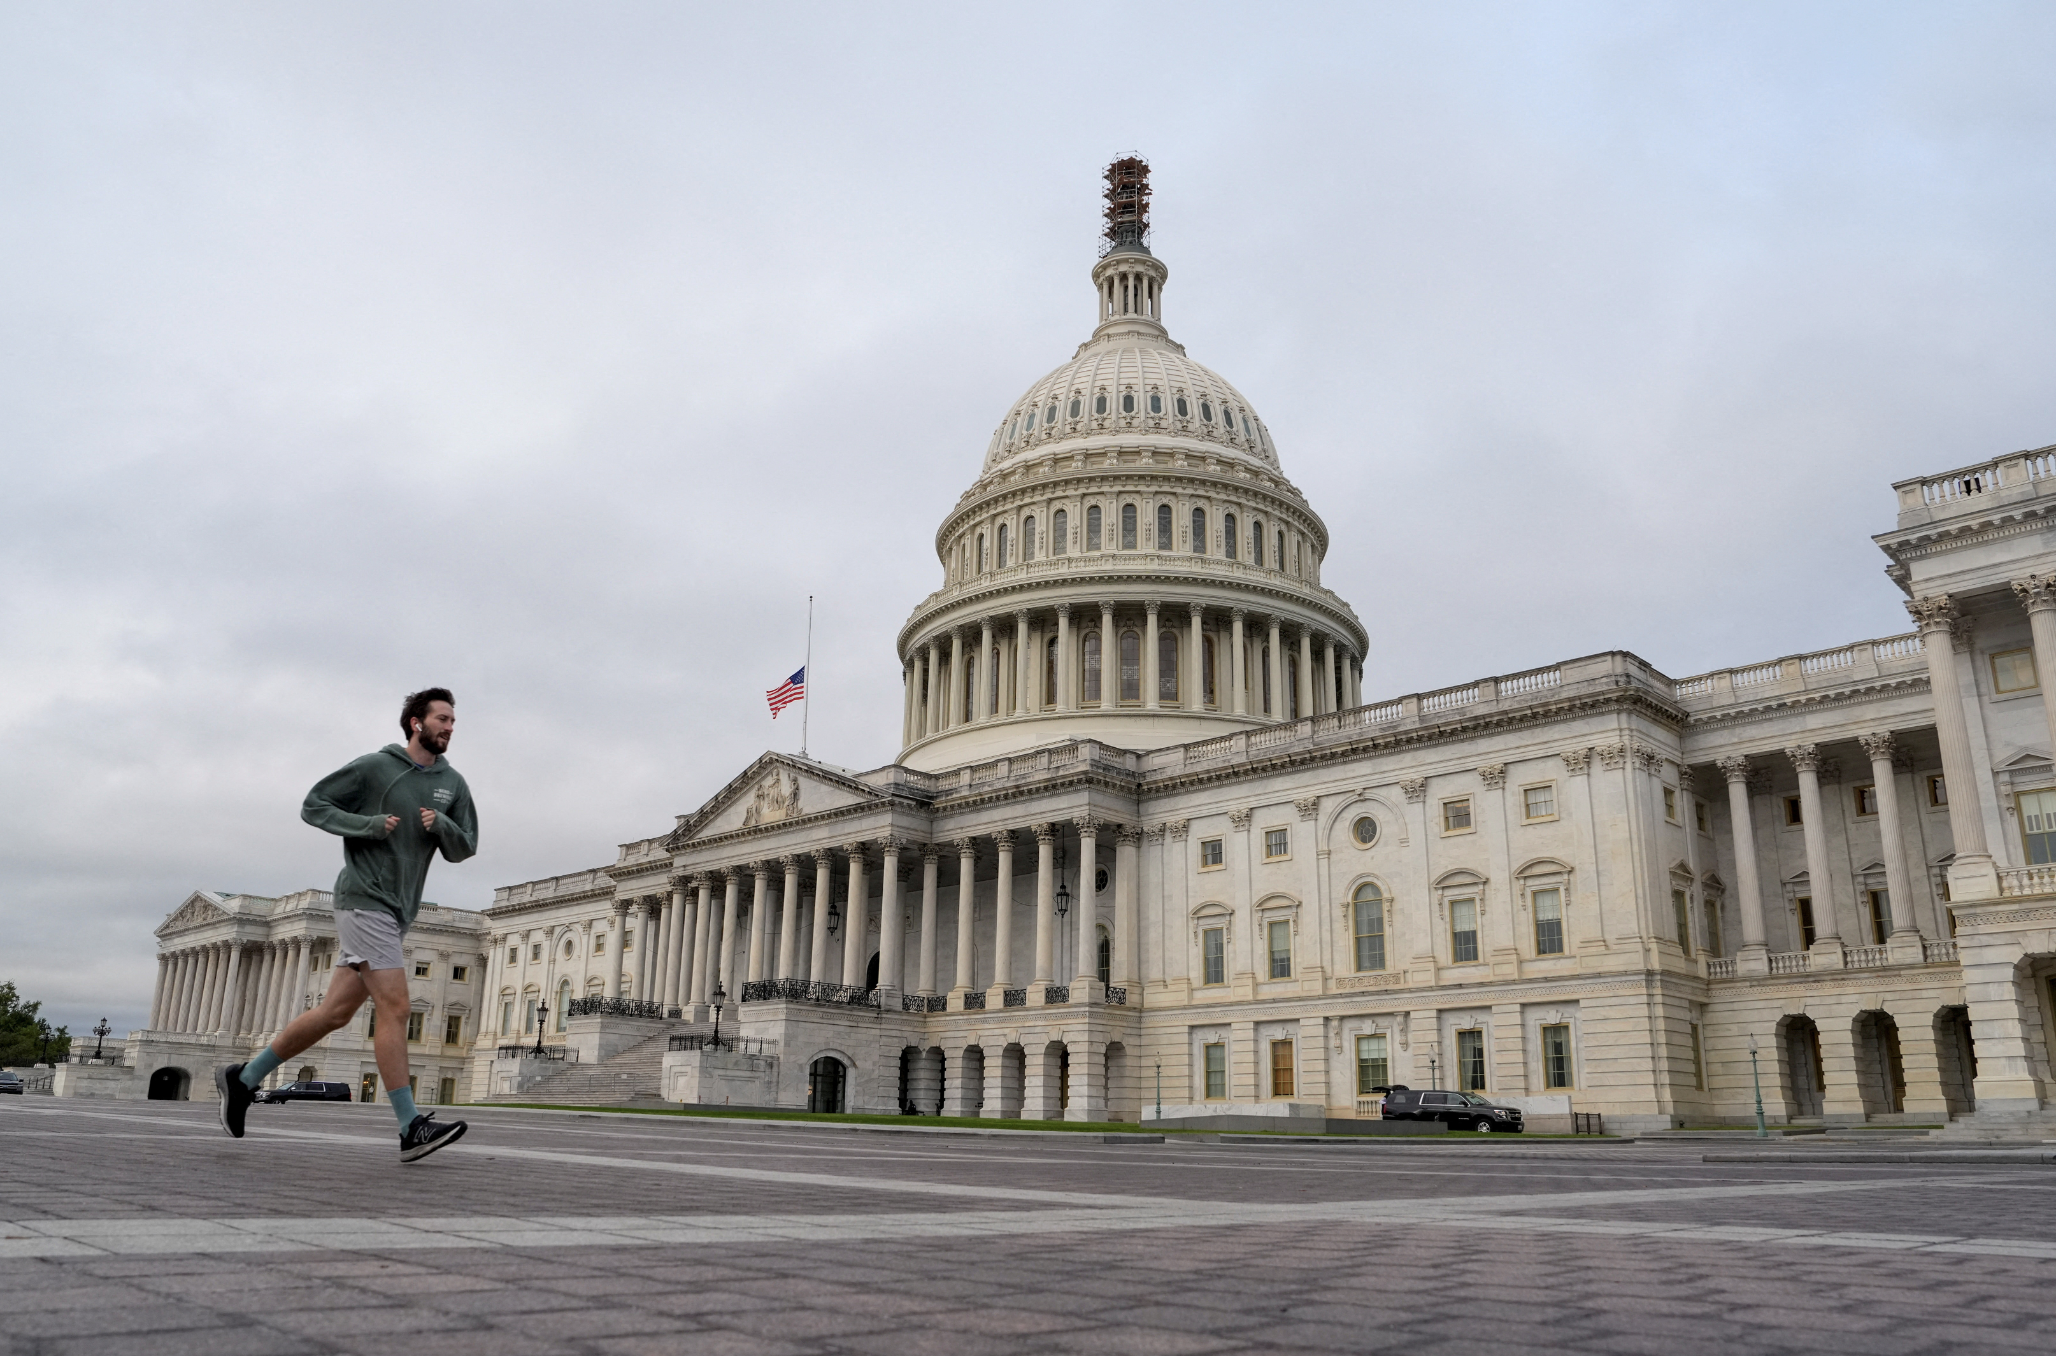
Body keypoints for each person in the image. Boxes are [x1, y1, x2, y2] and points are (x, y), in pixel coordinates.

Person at [214, 687, 479, 1162]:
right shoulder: (375, 767)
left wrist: (442, 824)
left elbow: (465, 847)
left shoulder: (452, 783)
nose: (450, 728)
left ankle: (244, 1079)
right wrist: (368, 826)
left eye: (453, 721)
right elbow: (314, 805)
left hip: (399, 909)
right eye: (442, 719)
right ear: (416, 723)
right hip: (363, 898)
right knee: (396, 1008)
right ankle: (409, 1126)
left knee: (334, 1013)